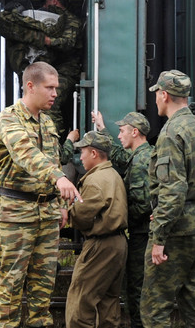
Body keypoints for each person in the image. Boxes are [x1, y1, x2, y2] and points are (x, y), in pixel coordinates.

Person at [0, 61, 81, 328]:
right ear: (30, 86)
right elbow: (26, 155)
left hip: (48, 212)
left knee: (44, 284)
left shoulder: (47, 121)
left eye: (56, 88)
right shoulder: (9, 118)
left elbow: (52, 160)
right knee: (12, 281)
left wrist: (59, 203)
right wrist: (59, 178)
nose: (55, 94)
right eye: (50, 87)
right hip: (18, 213)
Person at [141, 70, 195, 327]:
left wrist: (159, 237)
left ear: (164, 95)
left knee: (154, 309)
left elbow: (173, 190)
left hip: (175, 231)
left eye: (157, 95)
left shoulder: (171, 132)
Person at [92, 110, 153, 328]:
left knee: (136, 288)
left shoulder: (140, 162)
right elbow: (118, 154)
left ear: (134, 132)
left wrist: (118, 220)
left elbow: (144, 204)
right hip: (143, 233)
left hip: (143, 234)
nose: (119, 136)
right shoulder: (141, 155)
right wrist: (101, 128)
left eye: (121, 131)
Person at [0, 0, 83, 135]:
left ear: (55, 1)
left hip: (65, 70)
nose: (44, 6)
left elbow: (68, 44)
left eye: (46, 2)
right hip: (46, 71)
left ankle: (54, 141)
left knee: (51, 102)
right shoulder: (48, 19)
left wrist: (47, 41)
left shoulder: (71, 21)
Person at [65, 131, 128, 328]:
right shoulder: (112, 174)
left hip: (100, 246)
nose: (80, 157)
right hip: (117, 244)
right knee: (108, 303)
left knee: (81, 301)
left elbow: (81, 217)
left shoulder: (95, 180)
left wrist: (67, 212)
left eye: (82, 152)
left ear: (94, 153)